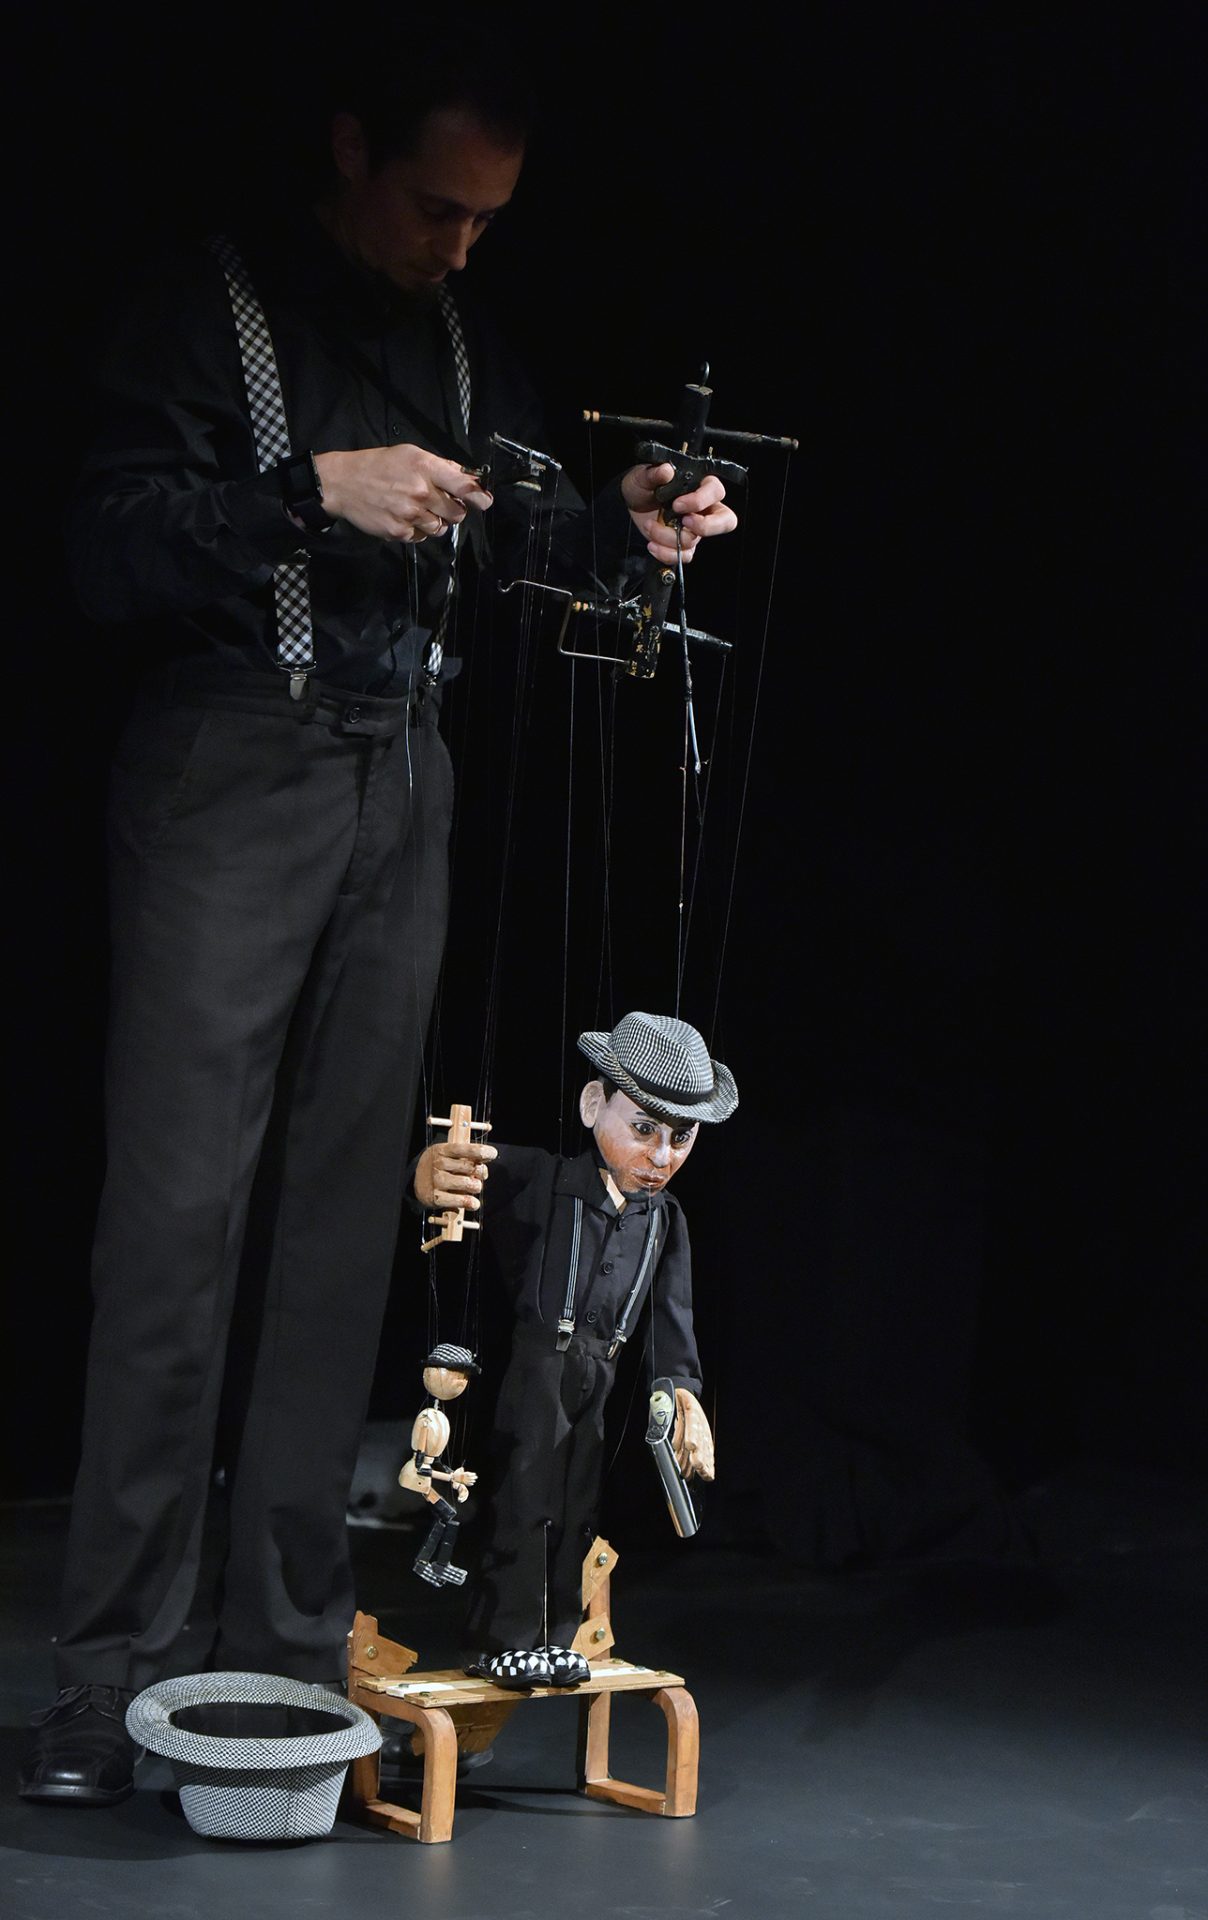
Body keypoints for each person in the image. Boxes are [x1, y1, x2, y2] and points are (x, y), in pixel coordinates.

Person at [20, 33, 738, 1807]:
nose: (458, 245)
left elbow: (528, 532)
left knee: (346, 1231)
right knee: (176, 1227)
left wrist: (631, 529)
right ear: (350, 150)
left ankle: (281, 1658)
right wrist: (306, 494)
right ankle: (105, 1676)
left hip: (400, 778)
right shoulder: (211, 311)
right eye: (435, 208)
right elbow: (101, 544)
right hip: (229, 763)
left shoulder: (464, 344)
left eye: (487, 220)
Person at [411, 1011, 735, 1684]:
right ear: (594, 1106)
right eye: (644, 1130)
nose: (661, 1156)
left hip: (601, 1374)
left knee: (577, 1504)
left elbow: (672, 1320)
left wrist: (683, 1393)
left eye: (681, 1137)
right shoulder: (541, 1180)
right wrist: (426, 1175)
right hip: (537, 1366)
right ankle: (504, 1635)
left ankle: (557, 1635)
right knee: (525, 1496)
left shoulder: (665, 1221)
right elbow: (457, 1172)